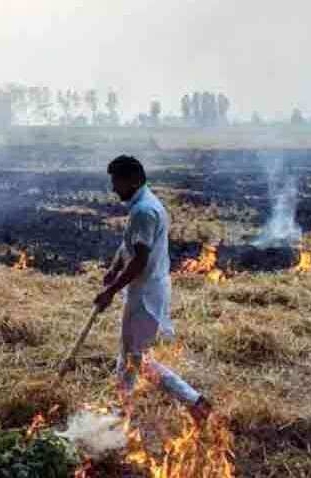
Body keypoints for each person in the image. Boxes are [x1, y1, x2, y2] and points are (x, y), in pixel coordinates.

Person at [94, 155, 211, 423]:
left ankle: (194, 400)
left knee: (137, 359)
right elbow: (129, 247)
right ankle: (122, 410)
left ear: (133, 180)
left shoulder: (144, 211)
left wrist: (111, 291)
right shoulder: (142, 205)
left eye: (117, 182)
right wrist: (113, 269)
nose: (114, 189)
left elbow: (139, 260)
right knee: (128, 356)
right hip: (144, 289)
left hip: (145, 293)